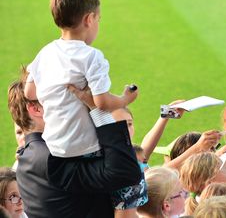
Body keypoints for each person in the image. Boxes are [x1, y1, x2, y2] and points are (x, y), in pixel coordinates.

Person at [22, 0, 144, 217]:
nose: (98, 24)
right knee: (132, 174)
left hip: (56, 148)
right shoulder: (92, 56)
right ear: (89, 19)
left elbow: (30, 93)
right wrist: (125, 98)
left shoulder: (46, 52)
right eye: (99, 19)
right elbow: (101, 103)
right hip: (86, 149)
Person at [7, 72, 137, 217]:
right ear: (36, 109)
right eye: (59, 99)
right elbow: (124, 173)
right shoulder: (54, 156)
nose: (73, 103)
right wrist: (97, 109)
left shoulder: (29, 153)